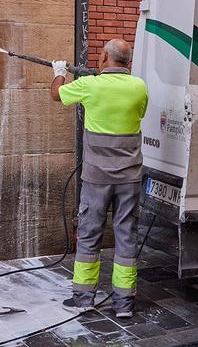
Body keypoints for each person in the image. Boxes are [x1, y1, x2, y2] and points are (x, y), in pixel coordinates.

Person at [50, 38, 149, 319]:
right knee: (127, 237)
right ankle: (124, 305)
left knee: (90, 235)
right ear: (127, 61)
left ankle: (84, 299)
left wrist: (59, 73)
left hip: (96, 179)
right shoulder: (139, 87)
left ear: (105, 56)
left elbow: (56, 95)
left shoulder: (90, 86)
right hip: (129, 177)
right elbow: (139, 114)